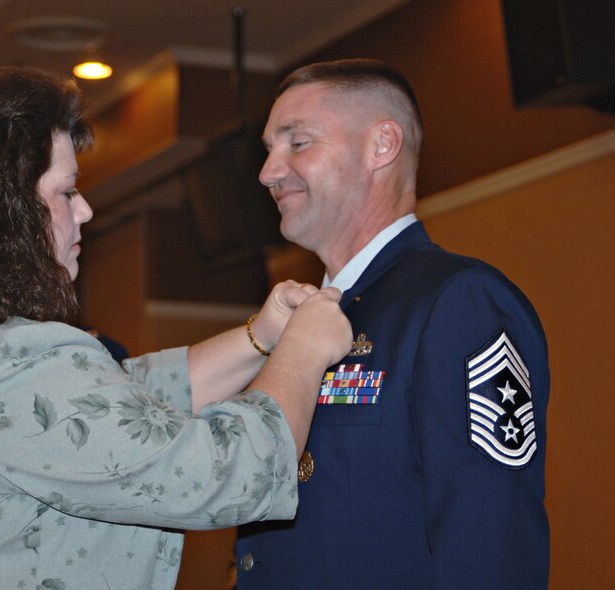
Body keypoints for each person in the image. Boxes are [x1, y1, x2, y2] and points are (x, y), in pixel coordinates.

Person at [0, 66, 353, 589]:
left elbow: (121, 400)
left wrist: (262, 336)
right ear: (5, 213)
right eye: (67, 193)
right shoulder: (15, 366)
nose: (85, 210)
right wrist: (302, 351)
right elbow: (227, 475)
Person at [235, 59, 550, 588]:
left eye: (298, 142)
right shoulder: (298, 319)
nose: (269, 171)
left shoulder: (458, 304)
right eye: (269, 149)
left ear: (382, 145)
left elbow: (490, 543)